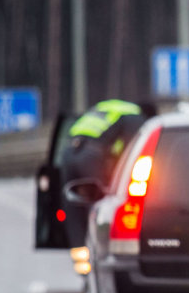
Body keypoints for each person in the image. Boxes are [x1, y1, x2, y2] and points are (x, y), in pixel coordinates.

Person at [61, 99, 155, 247]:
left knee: (74, 201)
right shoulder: (135, 116)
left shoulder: (108, 107)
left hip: (68, 152)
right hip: (92, 155)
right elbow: (131, 151)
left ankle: (79, 250)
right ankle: (100, 247)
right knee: (101, 201)